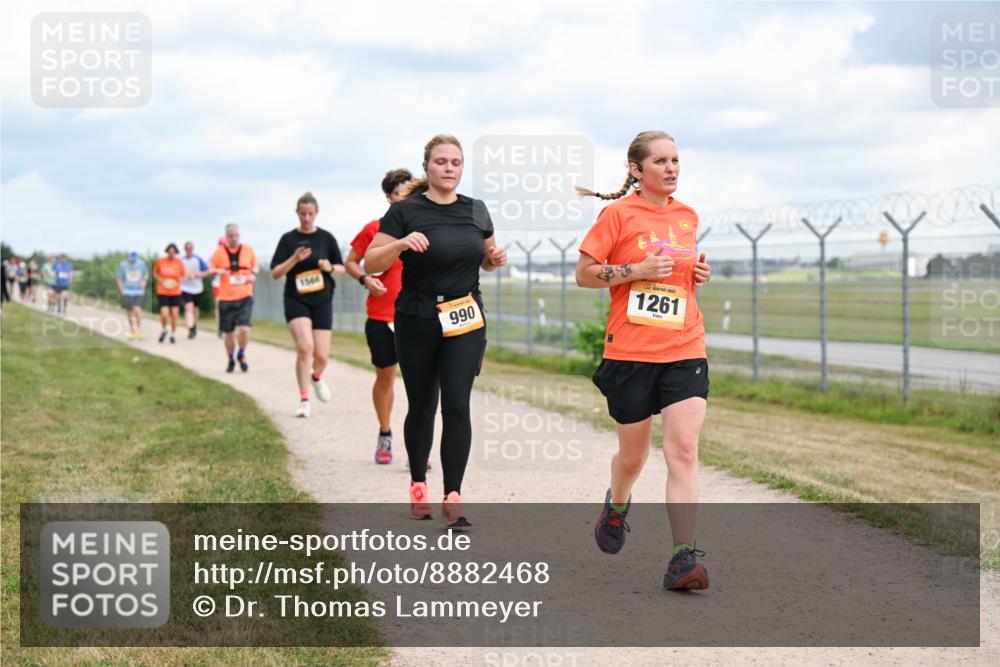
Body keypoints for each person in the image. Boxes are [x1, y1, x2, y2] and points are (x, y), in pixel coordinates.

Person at [575, 130, 714, 591]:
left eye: (676, 159)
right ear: (636, 169)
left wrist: (696, 274)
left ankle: (682, 557)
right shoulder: (616, 215)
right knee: (632, 458)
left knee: (684, 450)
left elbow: (679, 282)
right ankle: (617, 504)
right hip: (631, 353)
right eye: (661, 161)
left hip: (685, 347)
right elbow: (585, 275)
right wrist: (635, 271)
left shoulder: (688, 216)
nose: (672, 168)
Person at [365, 134, 506, 527]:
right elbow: (371, 262)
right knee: (423, 404)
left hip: (464, 314)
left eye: (456, 163)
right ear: (427, 167)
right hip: (417, 316)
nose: (449, 168)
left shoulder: (477, 211)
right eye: (441, 162)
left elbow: (488, 259)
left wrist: (495, 259)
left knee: (458, 403)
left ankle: (454, 496)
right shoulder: (405, 211)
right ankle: (417, 487)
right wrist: (400, 245)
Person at [345, 168, 411, 463]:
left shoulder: (425, 229)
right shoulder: (374, 229)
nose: (406, 199)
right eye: (400, 194)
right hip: (381, 316)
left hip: (416, 316)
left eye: (411, 193)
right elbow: (351, 262)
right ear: (388, 197)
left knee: (420, 384)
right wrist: (365, 279)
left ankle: (417, 446)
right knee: (386, 378)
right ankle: (385, 433)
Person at [270, 192, 345, 417]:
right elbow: (275, 273)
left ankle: (316, 377)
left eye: (310, 214)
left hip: (322, 299)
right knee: (305, 348)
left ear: (316, 213)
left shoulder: (326, 238)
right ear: (297, 213)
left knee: (322, 355)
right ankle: (304, 400)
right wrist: (294, 259)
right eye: (302, 214)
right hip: (296, 299)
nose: (306, 218)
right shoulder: (288, 239)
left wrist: (328, 268)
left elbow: (341, 268)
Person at [210, 223, 258, 373]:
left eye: (236, 235)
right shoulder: (218, 252)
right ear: (226, 237)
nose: (233, 238)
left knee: (244, 329)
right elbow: (211, 270)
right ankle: (230, 359)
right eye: (231, 236)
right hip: (226, 297)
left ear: (239, 235)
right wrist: (218, 270)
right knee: (229, 332)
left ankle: (241, 353)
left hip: (245, 295)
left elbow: (255, 267)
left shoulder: (248, 250)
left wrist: (252, 275)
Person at [153, 244, 184, 343]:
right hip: (163, 290)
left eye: (173, 252)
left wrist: (180, 279)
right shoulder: (161, 261)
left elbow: (183, 275)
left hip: (175, 291)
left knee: (175, 314)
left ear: (176, 252)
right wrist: (160, 280)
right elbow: (155, 273)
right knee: (165, 314)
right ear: (167, 252)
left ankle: (173, 334)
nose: (171, 254)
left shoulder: (179, 262)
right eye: (170, 252)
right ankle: (164, 329)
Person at [117, 250, 148, 340]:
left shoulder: (141, 264)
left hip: (139, 291)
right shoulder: (123, 265)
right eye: (131, 260)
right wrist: (121, 290)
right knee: (130, 312)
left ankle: (139, 328)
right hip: (127, 291)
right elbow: (119, 278)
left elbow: (146, 274)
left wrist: (144, 281)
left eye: (134, 260)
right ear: (128, 258)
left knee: (137, 309)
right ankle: (132, 329)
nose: (133, 262)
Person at [180, 241, 209, 339]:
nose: (189, 250)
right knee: (188, 308)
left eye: (190, 248)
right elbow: (178, 274)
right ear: (185, 249)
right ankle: (190, 327)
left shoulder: (198, 259)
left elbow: (206, 272)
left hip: (197, 288)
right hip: (185, 288)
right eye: (187, 248)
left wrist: (198, 274)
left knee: (195, 309)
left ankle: (194, 325)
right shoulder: (181, 261)